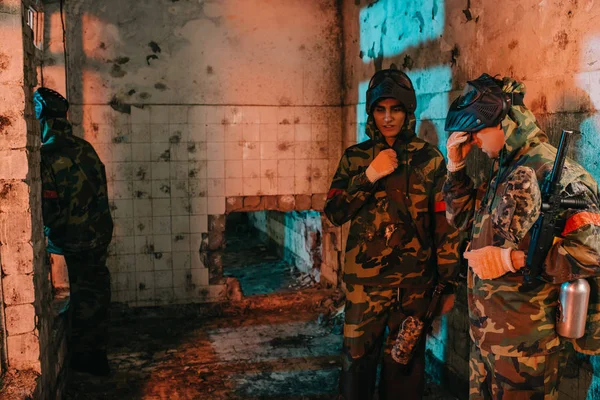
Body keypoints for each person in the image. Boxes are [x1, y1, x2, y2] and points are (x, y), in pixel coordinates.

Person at [443, 74, 600, 399]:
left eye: (477, 133)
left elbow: (591, 252)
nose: (474, 142)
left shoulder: (559, 175)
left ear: (504, 123)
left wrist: (512, 259)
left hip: (527, 350)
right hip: (488, 339)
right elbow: (464, 221)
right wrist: (455, 168)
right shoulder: (507, 171)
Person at [325, 65, 461, 400]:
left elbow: (444, 226)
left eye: (396, 110)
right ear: (371, 112)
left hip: (412, 286)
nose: (388, 118)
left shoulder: (429, 160)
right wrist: (368, 176)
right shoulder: (355, 159)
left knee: (404, 367)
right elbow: (335, 212)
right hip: (365, 285)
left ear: (408, 112)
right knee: (356, 366)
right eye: (381, 109)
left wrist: (448, 285)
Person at [34, 87, 114, 376]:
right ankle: (95, 353)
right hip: (99, 232)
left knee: (85, 294)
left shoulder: (46, 156)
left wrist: (46, 234)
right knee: (94, 289)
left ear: (41, 118)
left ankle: (89, 359)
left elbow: (51, 208)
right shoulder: (85, 147)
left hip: (76, 238)